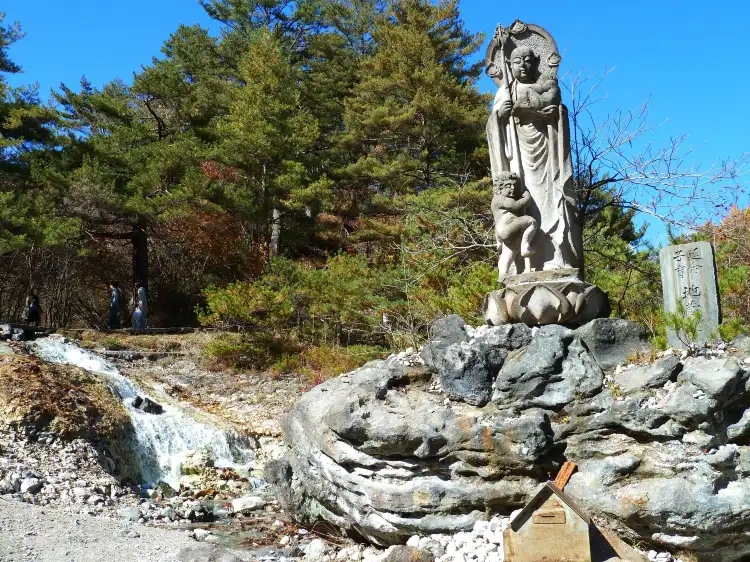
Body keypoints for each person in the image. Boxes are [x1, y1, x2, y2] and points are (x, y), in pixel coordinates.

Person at [486, 44, 581, 273]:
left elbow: (559, 112)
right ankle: (524, 262)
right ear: (509, 65)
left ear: (536, 62)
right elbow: (493, 126)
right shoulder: (505, 92)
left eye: (528, 60)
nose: (523, 66)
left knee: (551, 200)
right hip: (517, 154)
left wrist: (553, 115)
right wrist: (500, 115)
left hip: (547, 152)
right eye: (517, 62)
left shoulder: (545, 87)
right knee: (526, 205)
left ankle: (555, 257)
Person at [491, 172, 538, 278]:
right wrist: (527, 197)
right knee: (531, 221)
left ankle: (503, 275)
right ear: (500, 188)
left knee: (509, 254)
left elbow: (518, 211)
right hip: (506, 230)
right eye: (508, 185)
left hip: (510, 233)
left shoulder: (506, 199)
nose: (512, 188)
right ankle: (525, 247)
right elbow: (516, 206)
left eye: (514, 185)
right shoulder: (498, 199)